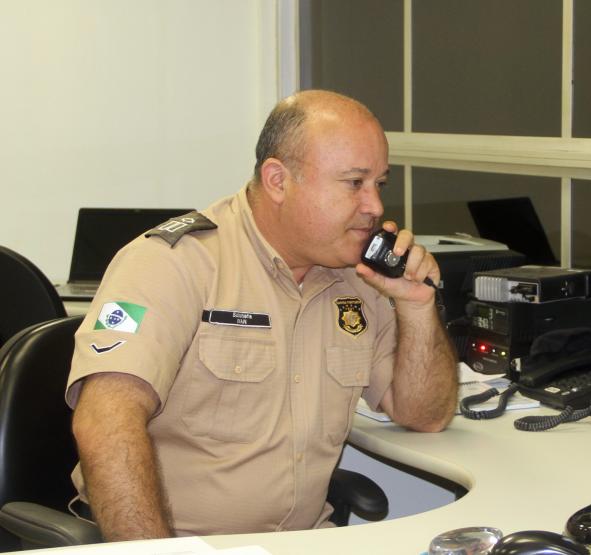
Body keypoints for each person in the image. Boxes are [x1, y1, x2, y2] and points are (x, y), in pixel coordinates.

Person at [65, 90, 458, 540]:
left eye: (379, 185)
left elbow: (425, 415)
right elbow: (105, 420)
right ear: (277, 180)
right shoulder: (172, 264)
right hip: (184, 544)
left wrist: (416, 306)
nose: (374, 206)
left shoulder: (354, 278)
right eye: (354, 183)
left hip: (307, 541)